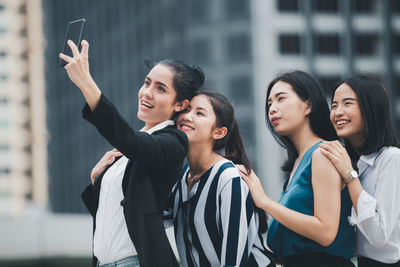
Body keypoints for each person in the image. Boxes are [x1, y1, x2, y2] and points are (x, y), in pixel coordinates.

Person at [59, 40, 204, 267]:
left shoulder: (173, 142)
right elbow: (118, 215)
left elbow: (131, 141)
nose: (147, 93)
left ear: (180, 105)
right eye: (147, 83)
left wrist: (86, 82)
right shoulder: (127, 152)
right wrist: (97, 182)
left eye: (160, 89)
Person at [238, 71, 355, 267]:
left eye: (281, 99)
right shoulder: (297, 164)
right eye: (269, 104)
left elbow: (325, 232)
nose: (272, 109)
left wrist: (265, 202)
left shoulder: (322, 153)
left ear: (308, 105)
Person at [164, 91, 275, 267]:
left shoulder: (228, 179)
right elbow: (152, 218)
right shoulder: (183, 177)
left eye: (199, 113)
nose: (187, 116)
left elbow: (233, 262)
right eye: (187, 110)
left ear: (219, 132)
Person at [319, 74, 400, 267]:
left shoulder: (391, 158)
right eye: (334, 105)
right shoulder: (353, 163)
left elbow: (378, 235)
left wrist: (349, 176)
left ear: (370, 108)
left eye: (347, 103)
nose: (337, 112)